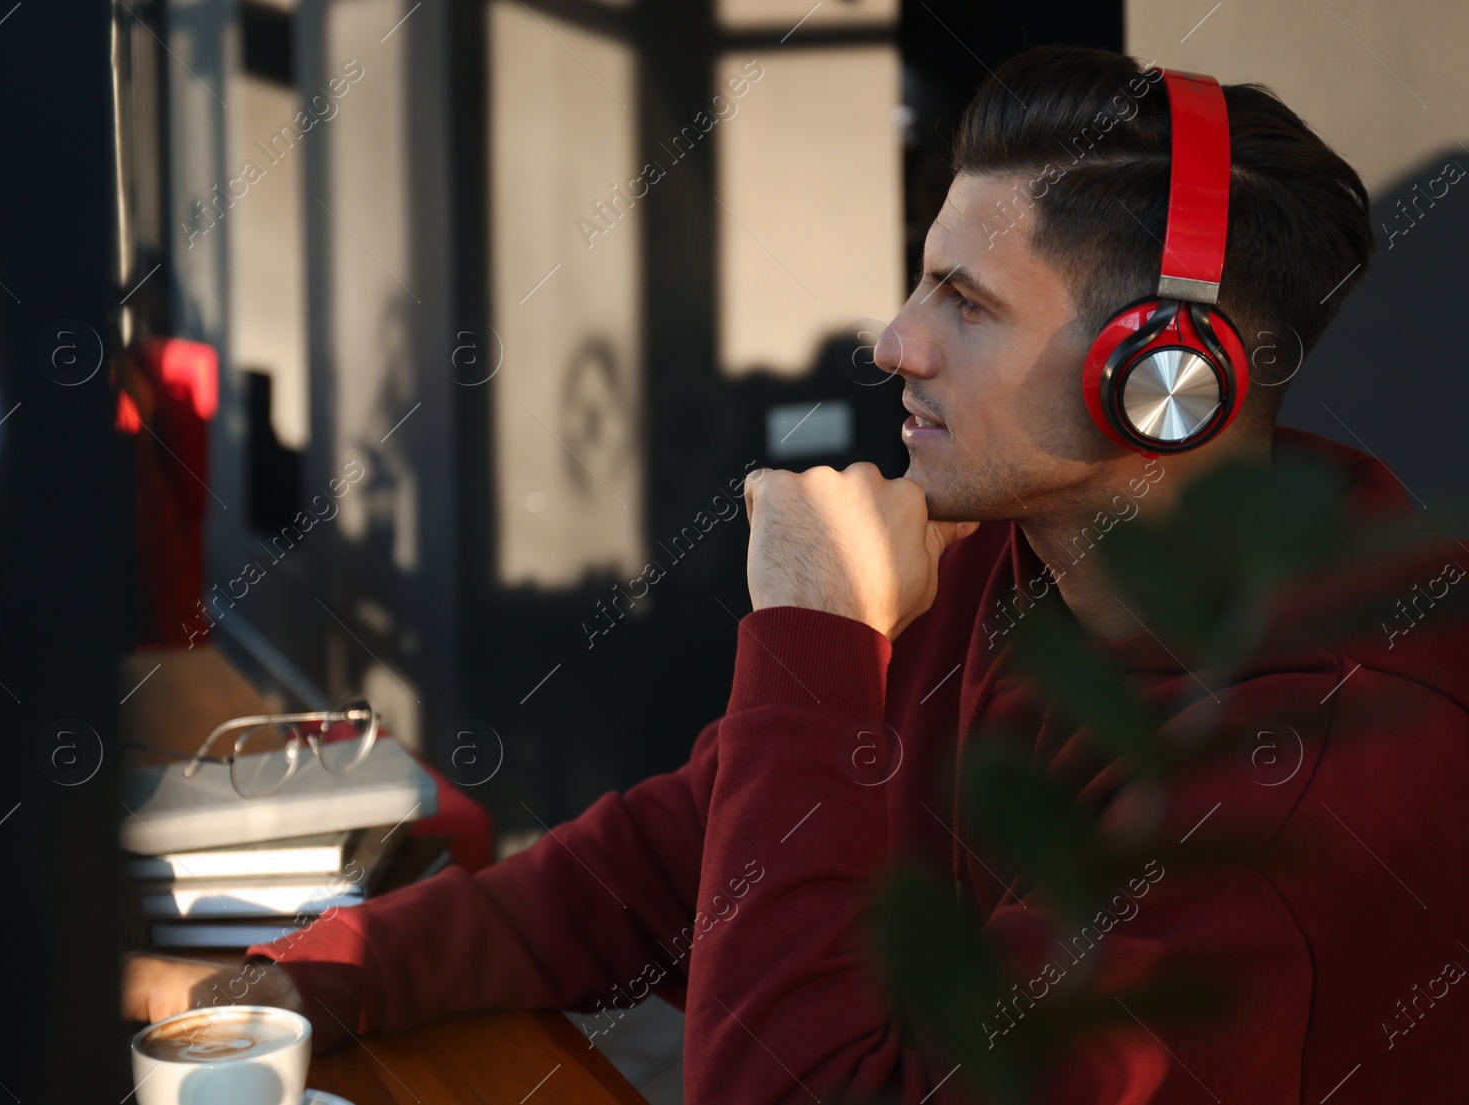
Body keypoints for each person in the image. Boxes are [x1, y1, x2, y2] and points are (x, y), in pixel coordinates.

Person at [124, 45, 1469, 1102]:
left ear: (1165, 385)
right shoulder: (994, 565)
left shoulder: (1317, 771)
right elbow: (665, 865)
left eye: (968, 303)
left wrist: (817, 641)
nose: (893, 340)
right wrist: (290, 986)